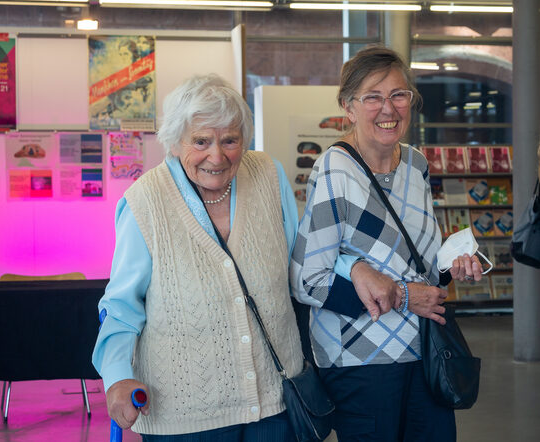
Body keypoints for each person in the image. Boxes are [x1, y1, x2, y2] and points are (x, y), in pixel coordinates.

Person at [93, 73, 312, 441]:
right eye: (201, 141)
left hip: (278, 402)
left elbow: (304, 261)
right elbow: (120, 305)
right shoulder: (144, 202)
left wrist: (353, 270)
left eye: (230, 140)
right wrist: (116, 376)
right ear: (175, 142)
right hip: (184, 413)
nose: (217, 155)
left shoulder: (269, 177)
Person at [290, 45, 483, 442]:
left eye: (399, 95)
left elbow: (423, 266)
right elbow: (307, 280)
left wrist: (452, 264)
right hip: (361, 363)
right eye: (373, 97)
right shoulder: (334, 169)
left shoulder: (416, 164)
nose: (388, 109)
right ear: (348, 107)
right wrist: (402, 296)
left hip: (425, 353)